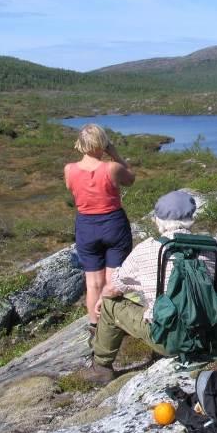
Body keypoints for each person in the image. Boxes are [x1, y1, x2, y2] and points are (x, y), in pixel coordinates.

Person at [80, 190, 217, 384]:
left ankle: (101, 367)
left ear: (159, 220)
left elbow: (113, 287)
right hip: (209, 334)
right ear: (191, 217)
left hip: (167, 340)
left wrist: (103, 299)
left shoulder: (146, 249)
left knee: (111, 305)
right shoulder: (215, 246)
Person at [64, 124, 135, 337]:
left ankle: (95, 327)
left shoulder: (69, 169)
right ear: (102, 143)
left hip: (86, 226)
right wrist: (115, 154)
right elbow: (130, 179)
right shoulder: (111, 168)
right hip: (113, 224)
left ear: (81, 144)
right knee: (112, 280)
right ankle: (112, 324)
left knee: (93, 282)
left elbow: (72, 188)